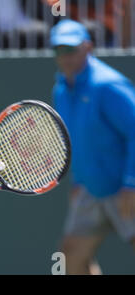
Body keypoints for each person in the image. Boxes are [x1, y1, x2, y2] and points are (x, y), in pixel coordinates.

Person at [50, 19, 135, 275]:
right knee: (70, 257)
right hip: (90, 190)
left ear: (88, 47)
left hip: (125, 187)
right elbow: (76, 139)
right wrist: (78, 181)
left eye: (71, 49)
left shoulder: (107, 86)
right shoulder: (62, 89)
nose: (65, 56)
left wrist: (131, 184)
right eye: (59, 50)